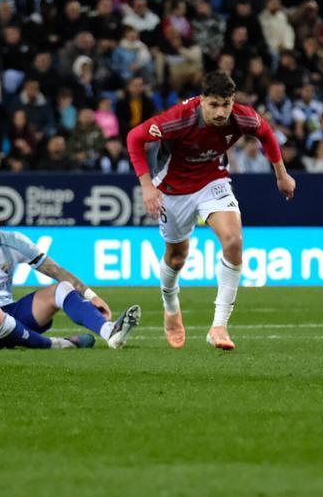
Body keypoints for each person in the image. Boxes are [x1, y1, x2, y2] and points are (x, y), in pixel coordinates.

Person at [126, 71, 296, 350]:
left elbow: (265, 132)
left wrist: (281, 175)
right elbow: (134, 138)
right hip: (172, 188)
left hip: (212, 181)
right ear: (201, 100)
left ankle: (219, 326)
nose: (221, 112)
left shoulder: (242, 116)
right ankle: (171, 308)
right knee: (177, 257)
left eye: (226, 104)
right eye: (214, 105)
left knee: (234, 241)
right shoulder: (179, 118)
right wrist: (146, 187)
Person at [0, 194, 141, 351]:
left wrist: (91, 296)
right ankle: (58, 344)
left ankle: (110, 332)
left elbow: (56, 270)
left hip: (12, 315)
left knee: (62, 288)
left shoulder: (14, 242)